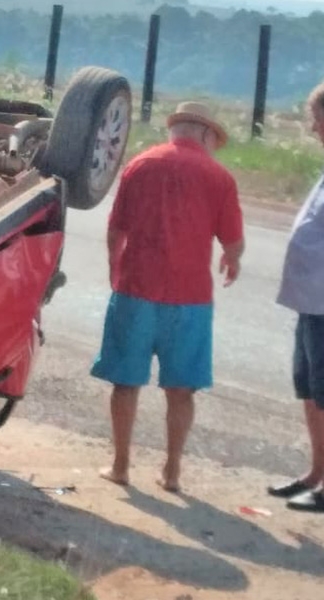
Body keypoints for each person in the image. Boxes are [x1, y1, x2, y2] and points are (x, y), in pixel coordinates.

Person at [91, 101, 245, 493]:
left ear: (175, 129)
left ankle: (120, 465)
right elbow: (233, 241)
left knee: (125, 383)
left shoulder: (140, 165)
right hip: (190, 299)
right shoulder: (219, 177)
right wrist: (232, 260)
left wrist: (115, 268)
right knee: (181, 390)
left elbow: (115, 231)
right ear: (207, 134)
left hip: (135, 290)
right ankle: (172, 471)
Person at [267, 81, 324, 513]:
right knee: (308, 388)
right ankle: (316, 472)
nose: (312, 127)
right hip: (310, 302)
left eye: (316, 118)